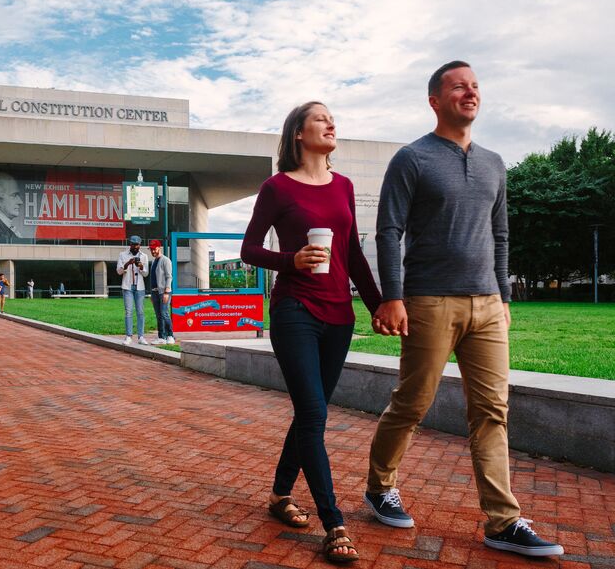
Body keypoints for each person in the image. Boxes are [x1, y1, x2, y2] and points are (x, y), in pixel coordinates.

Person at [364, 61, 563, 558]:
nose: (470, 92)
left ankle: (503, 521)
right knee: (412, 403)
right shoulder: (412, 159)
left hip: (488, 306)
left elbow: (500, 234)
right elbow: (389, 230)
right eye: (458, 86)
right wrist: (393, 296)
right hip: (429, 300)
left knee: (493, 411)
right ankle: (379, 485)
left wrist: (504, 295)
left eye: (474, 86)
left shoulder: (495, 163)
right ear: (435, 99)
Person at [241, 101, 381, 564]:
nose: (330, 122)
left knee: (309, 413)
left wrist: (381, 307)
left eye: (331, 117)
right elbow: (249, 249)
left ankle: (281, 495)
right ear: (298, 133)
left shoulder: (344, 185)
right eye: (320, 117)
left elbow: (354, 256)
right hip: (294, 309)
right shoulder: (277, 187)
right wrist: (290, 260)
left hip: (340, 314)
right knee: (314, 412)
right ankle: (334, 523)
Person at [116, 235, 150, 345]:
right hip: (127, 287)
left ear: (140, 245)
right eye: (133, 244)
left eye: (137, 245)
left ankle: (141, 336)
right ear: (130, 244)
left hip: (140, 287)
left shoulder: (144, 256)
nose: (135, 246)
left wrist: (140, 266)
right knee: (128, 311)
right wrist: (127, 264)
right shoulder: (123, 255)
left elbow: (146, 274)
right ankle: (128, 336)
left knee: (140, 312)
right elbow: (119, 272)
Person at [147, 239, 174, 345]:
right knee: (158, 315)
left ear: (159, 248)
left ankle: (170, 335)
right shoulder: (154, 261)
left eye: (154, 249)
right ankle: (161, 337)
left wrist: (167, 292)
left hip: (164, 291)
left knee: (164, 313)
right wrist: (151, 293)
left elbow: (169, 276)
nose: (153, 251)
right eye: (151, 249)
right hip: (155, 292)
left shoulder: (165, 260)